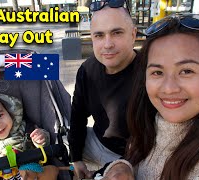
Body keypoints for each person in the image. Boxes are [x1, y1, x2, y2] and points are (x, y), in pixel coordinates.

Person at [100, 13, 199, 179]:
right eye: (157, 72)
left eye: (186, 71)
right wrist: (122, 167)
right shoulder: (150, 121)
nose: (169, 89)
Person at [68, 0, 140, 178]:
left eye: (116, 33)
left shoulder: (151, 72)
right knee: (54, 148)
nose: (107, 44)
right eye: (99, 35)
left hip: (135, 157)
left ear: (133, 34)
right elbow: (77, 116)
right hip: (96, 143)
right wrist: (75, 158)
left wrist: (103, 172)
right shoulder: (87, 69)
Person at [0, 93, 57, 179]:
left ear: (8, 112)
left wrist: (41, 138)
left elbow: (46, 144)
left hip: (37, 173)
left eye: (0, 115)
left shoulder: (25, 128)